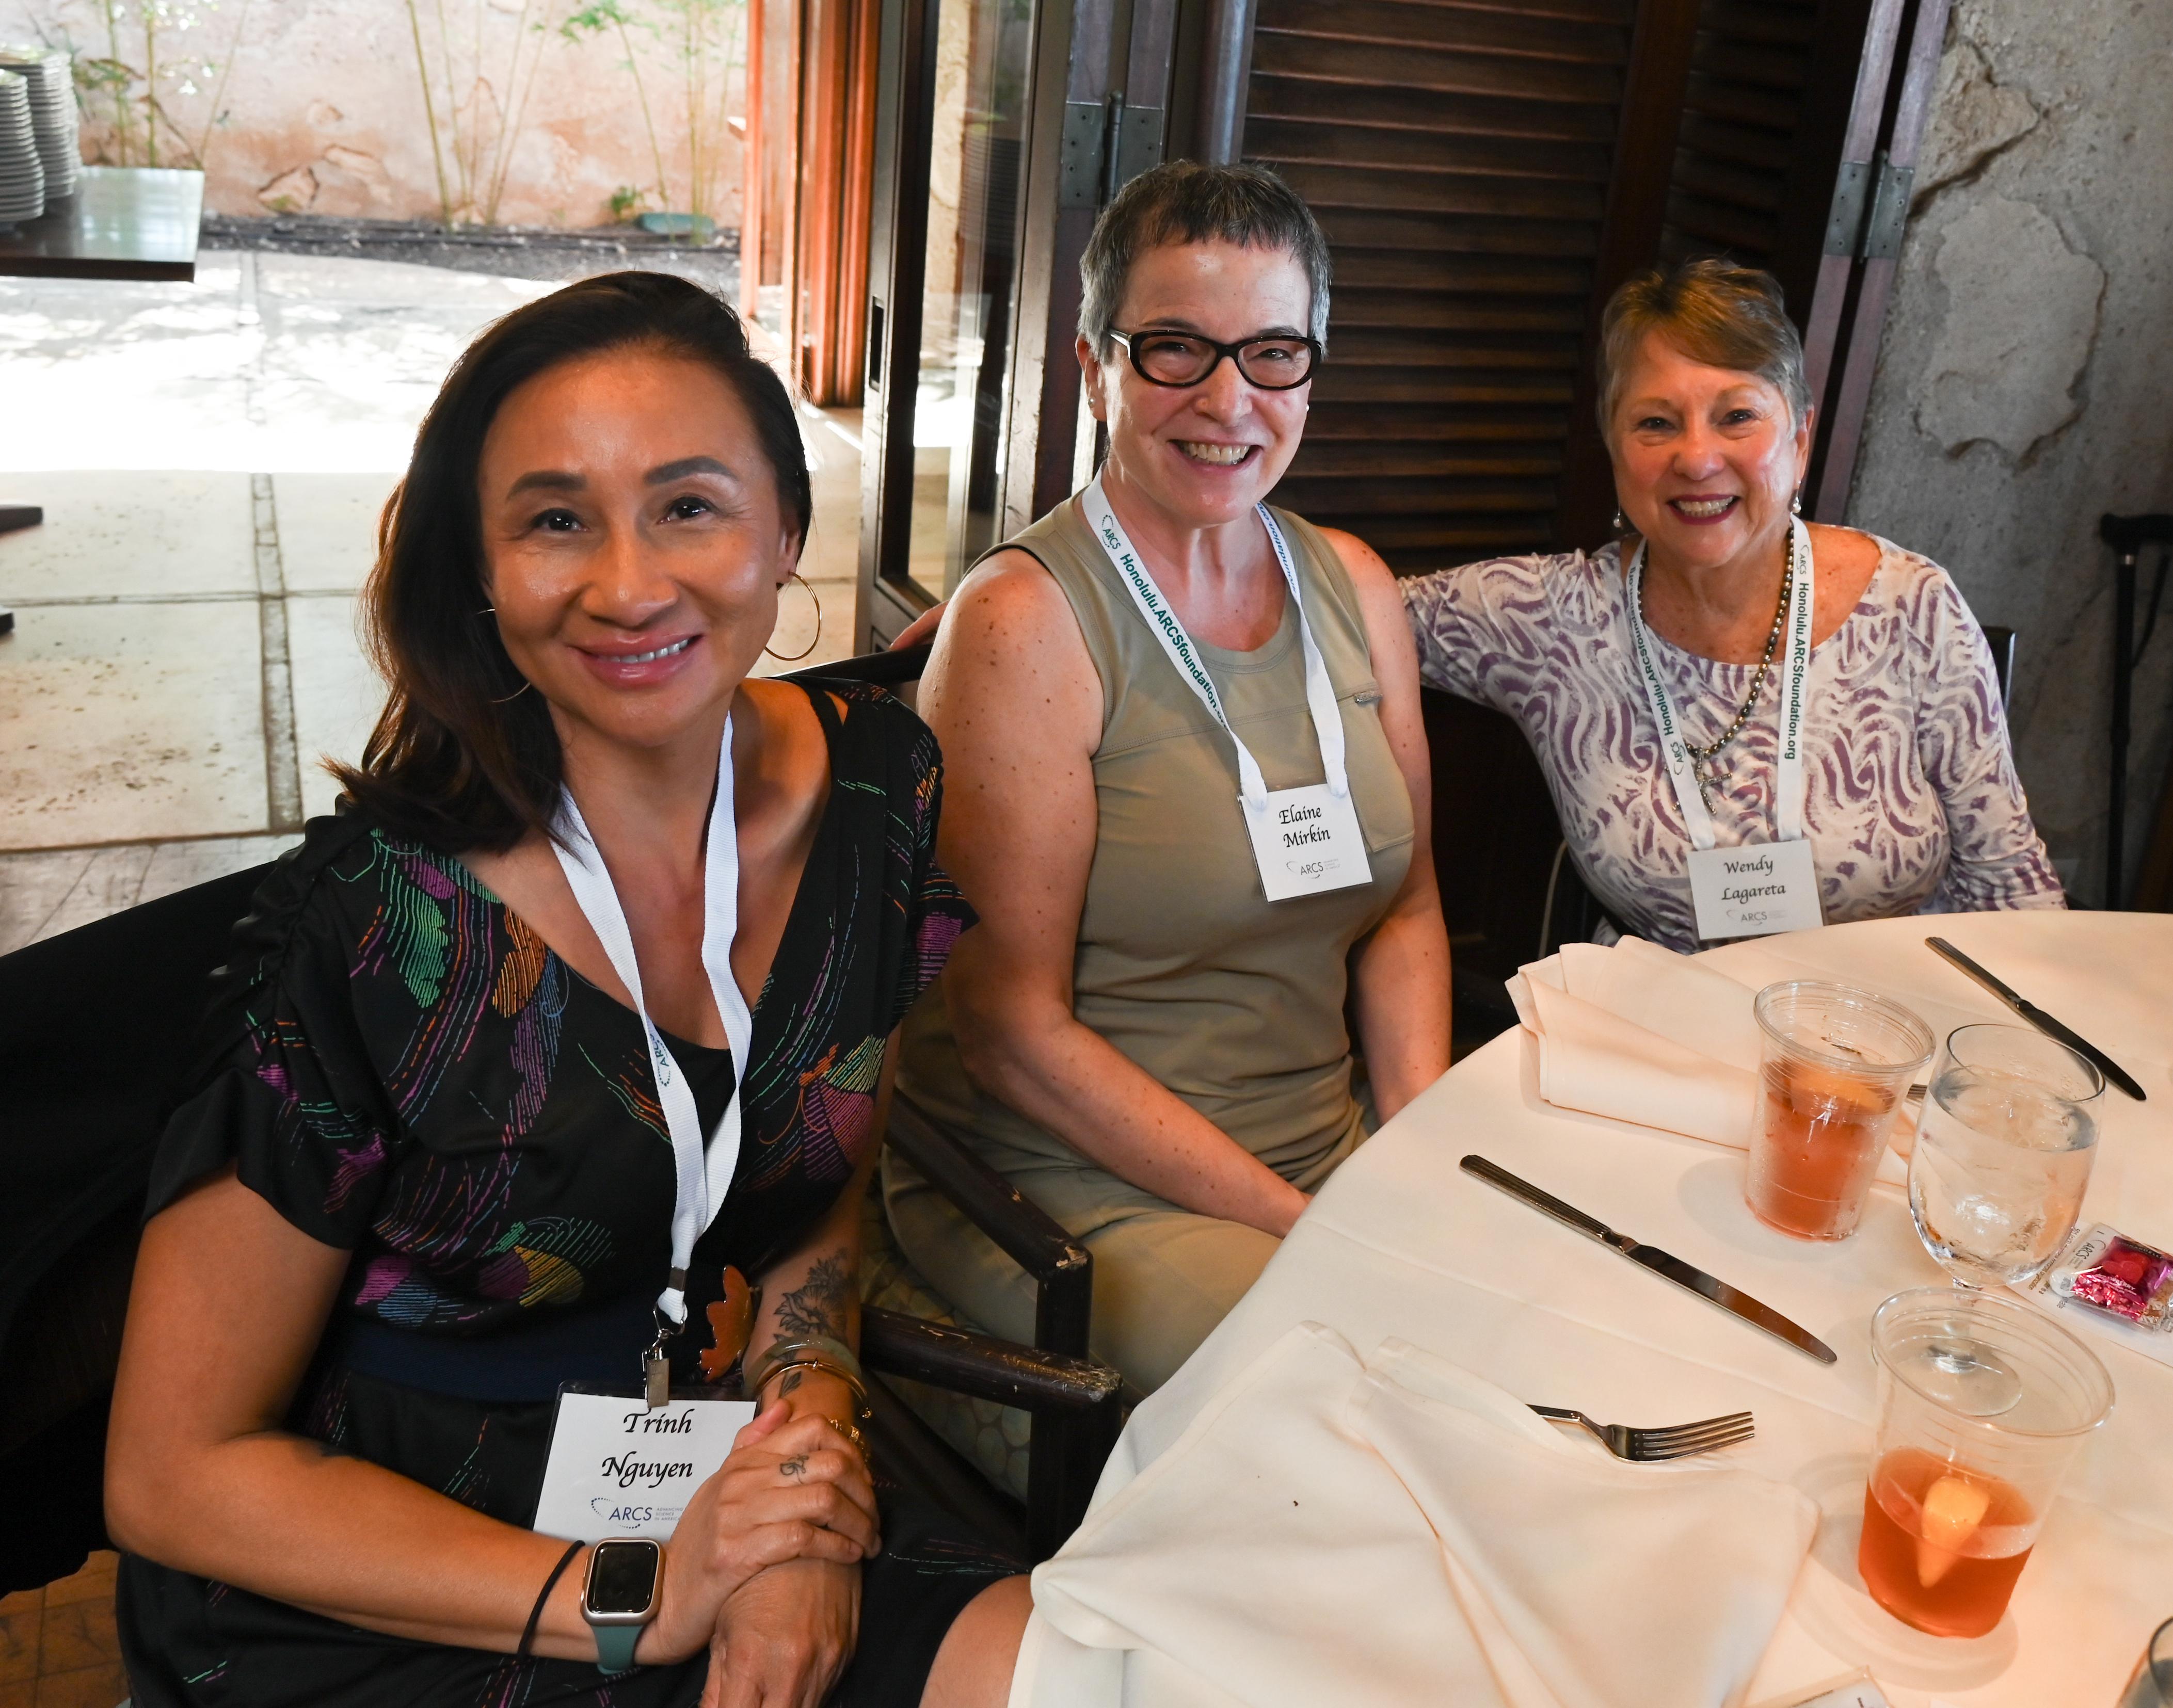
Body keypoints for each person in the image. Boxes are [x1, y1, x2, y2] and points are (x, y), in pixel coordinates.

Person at [104, 271, 1028, 1708]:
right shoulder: (378, 924)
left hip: (712, 1466)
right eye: (554, 520)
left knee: (1075, 1668)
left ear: (786, 528)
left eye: (689, 505)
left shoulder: (877, 792)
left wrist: (798, 1481)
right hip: (381, 1560)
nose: (629, 584)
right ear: (477, 567)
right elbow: (173, 1470)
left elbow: (818, 1201)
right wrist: (636, 1596)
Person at [886, 162, 1451, 1397]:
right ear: (1094, 368)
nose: (1227, 399)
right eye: (1175, 348)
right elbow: (1009, 1033)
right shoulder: (1025, 623)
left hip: (1327, 1150)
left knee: (1550, 1341)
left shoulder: (1355, 585)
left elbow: (1404, 907)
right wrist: (1306, 1227)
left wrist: (1416, 1155)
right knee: (1358, 1393)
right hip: (1072, 1185)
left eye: (1272, 354)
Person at [1400, 258, 2063, 953]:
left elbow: (2011, 885)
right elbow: (1343, 607)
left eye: (1737, 417)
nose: (1696, 458)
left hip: (1887, 1009)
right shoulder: (1547, 618)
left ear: (1799, 440)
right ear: (1614, 450)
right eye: (1655, 423)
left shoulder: (1910, 606)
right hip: (1659, 1007)